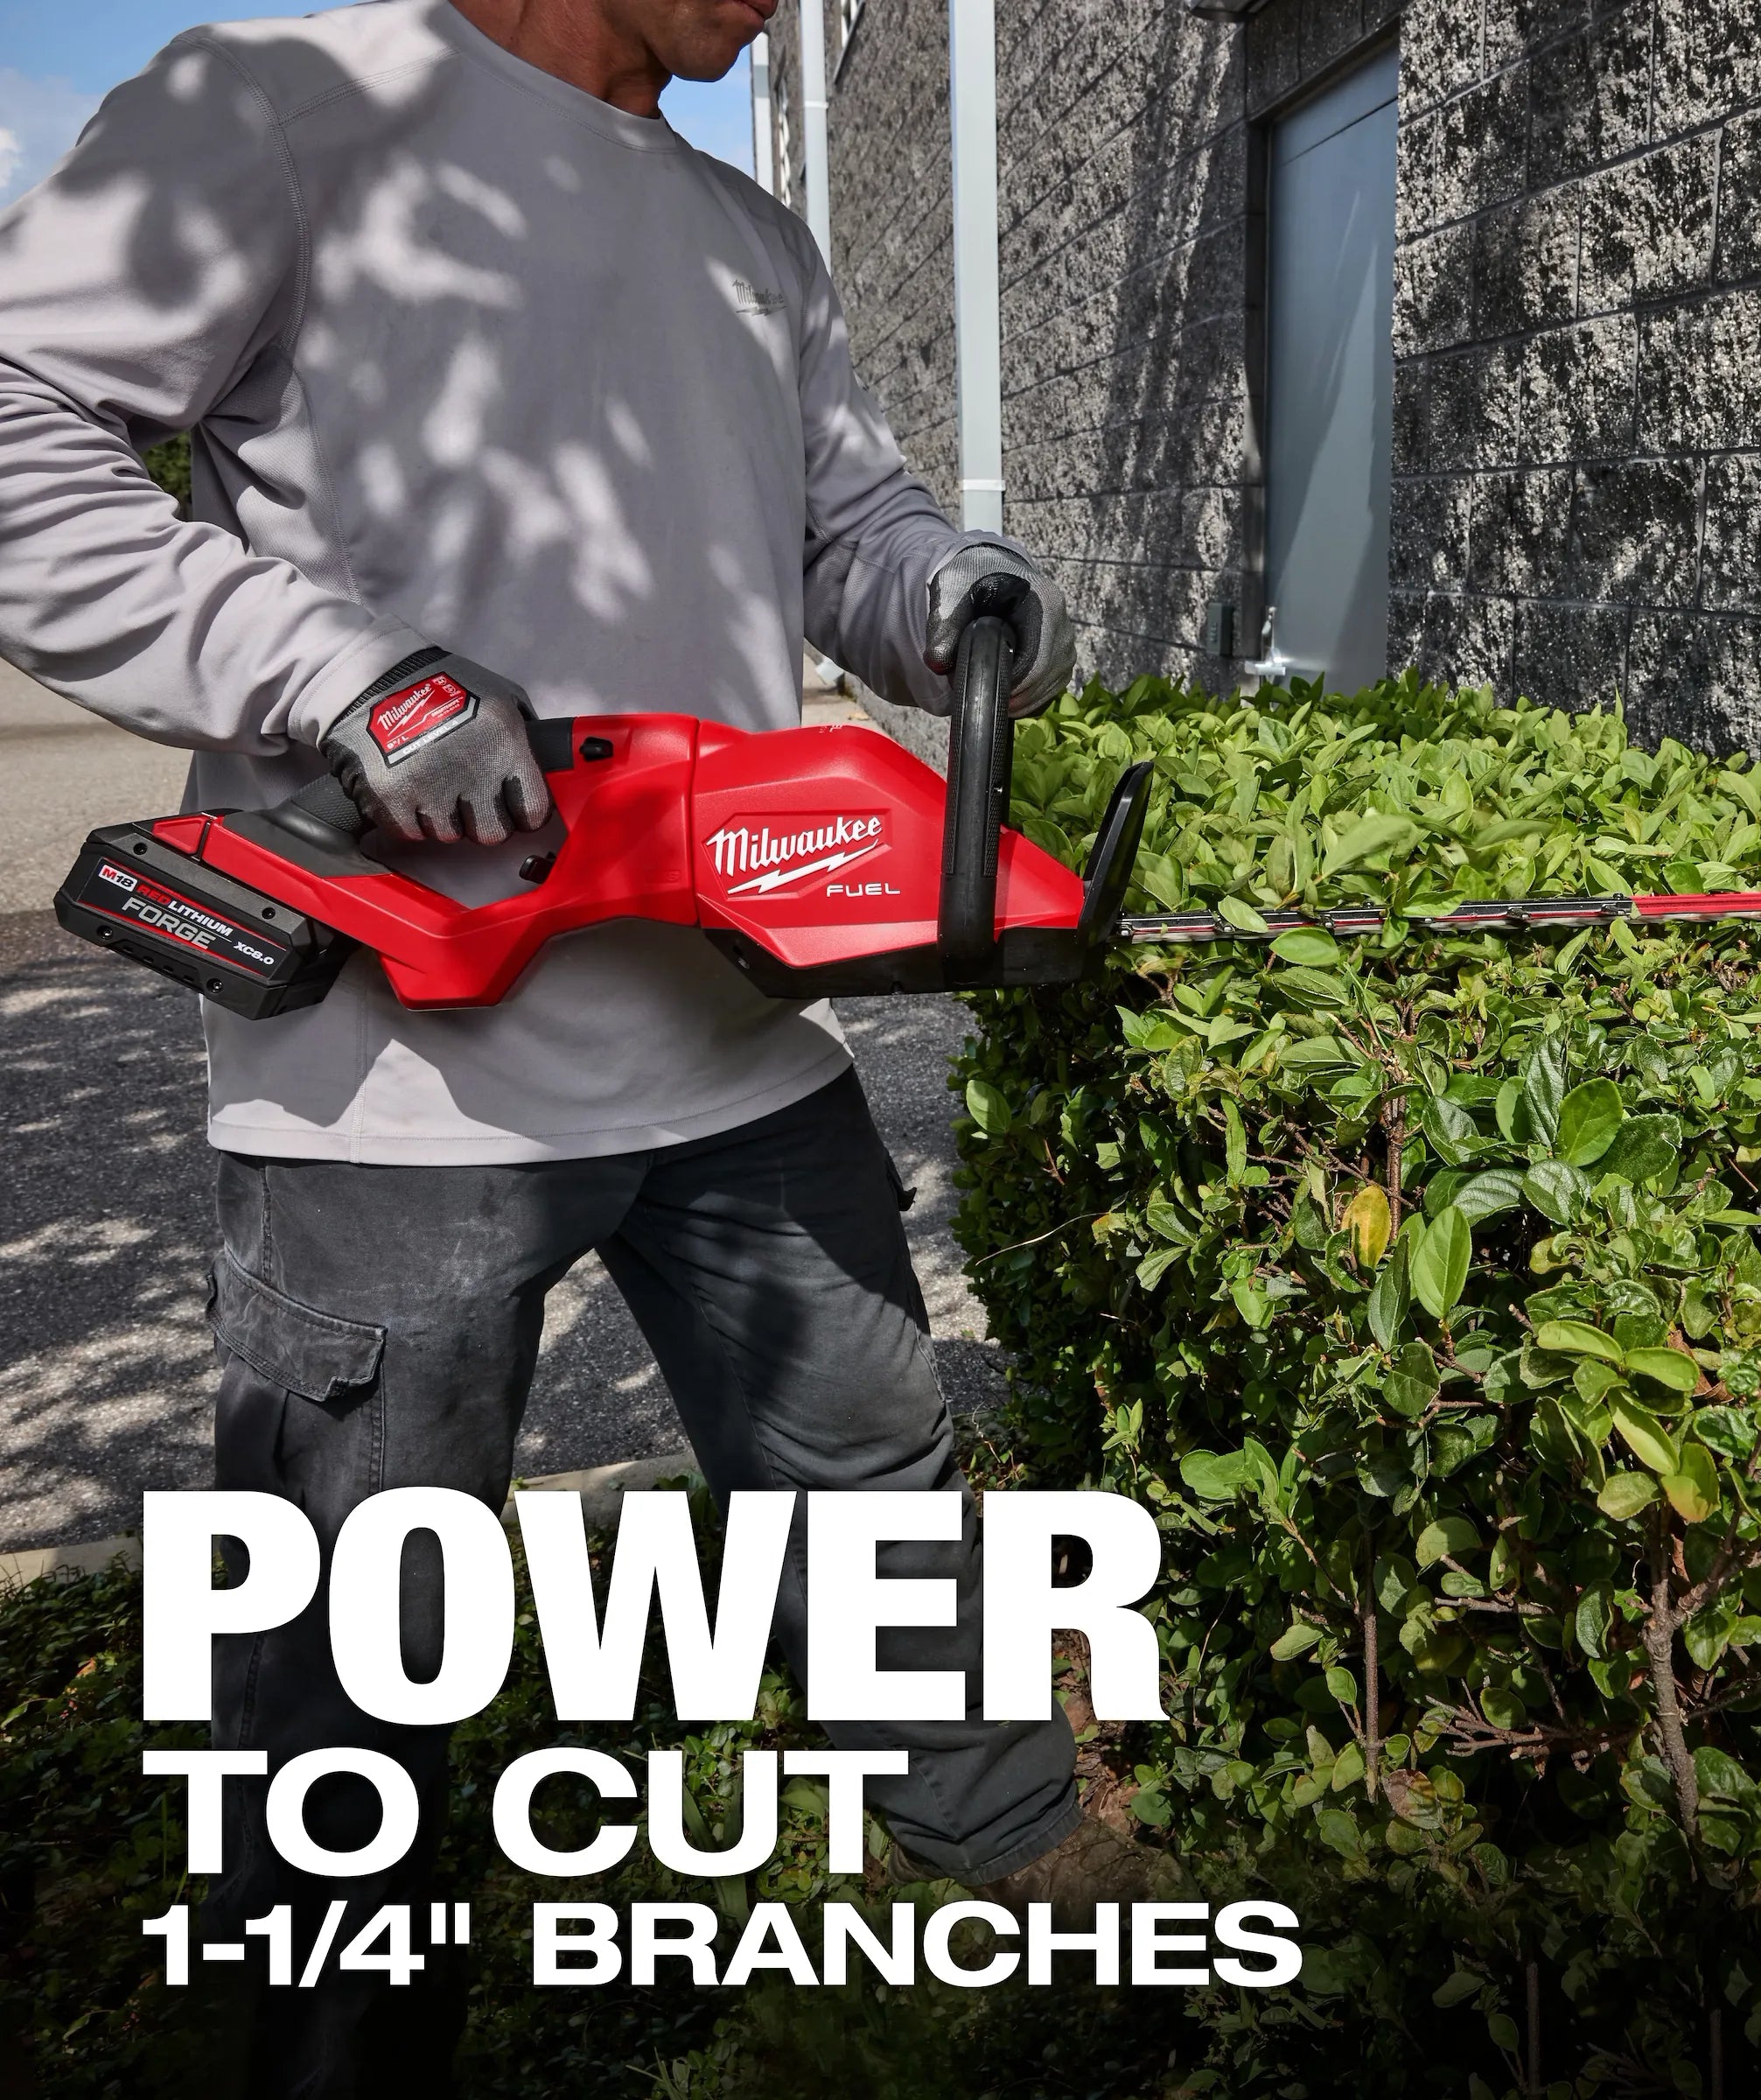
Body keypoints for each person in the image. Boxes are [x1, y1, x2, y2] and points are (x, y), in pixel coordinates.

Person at [0, 0, 1162, 2088]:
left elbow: (845, 528)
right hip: (392, 1086)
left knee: (879, 1486)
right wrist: (338, 669)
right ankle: (331, 2053)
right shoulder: (278, 104)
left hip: (736, 1030)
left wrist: (950, 592)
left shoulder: (747, 233)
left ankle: (1020, 1886)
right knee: (353, 1640)